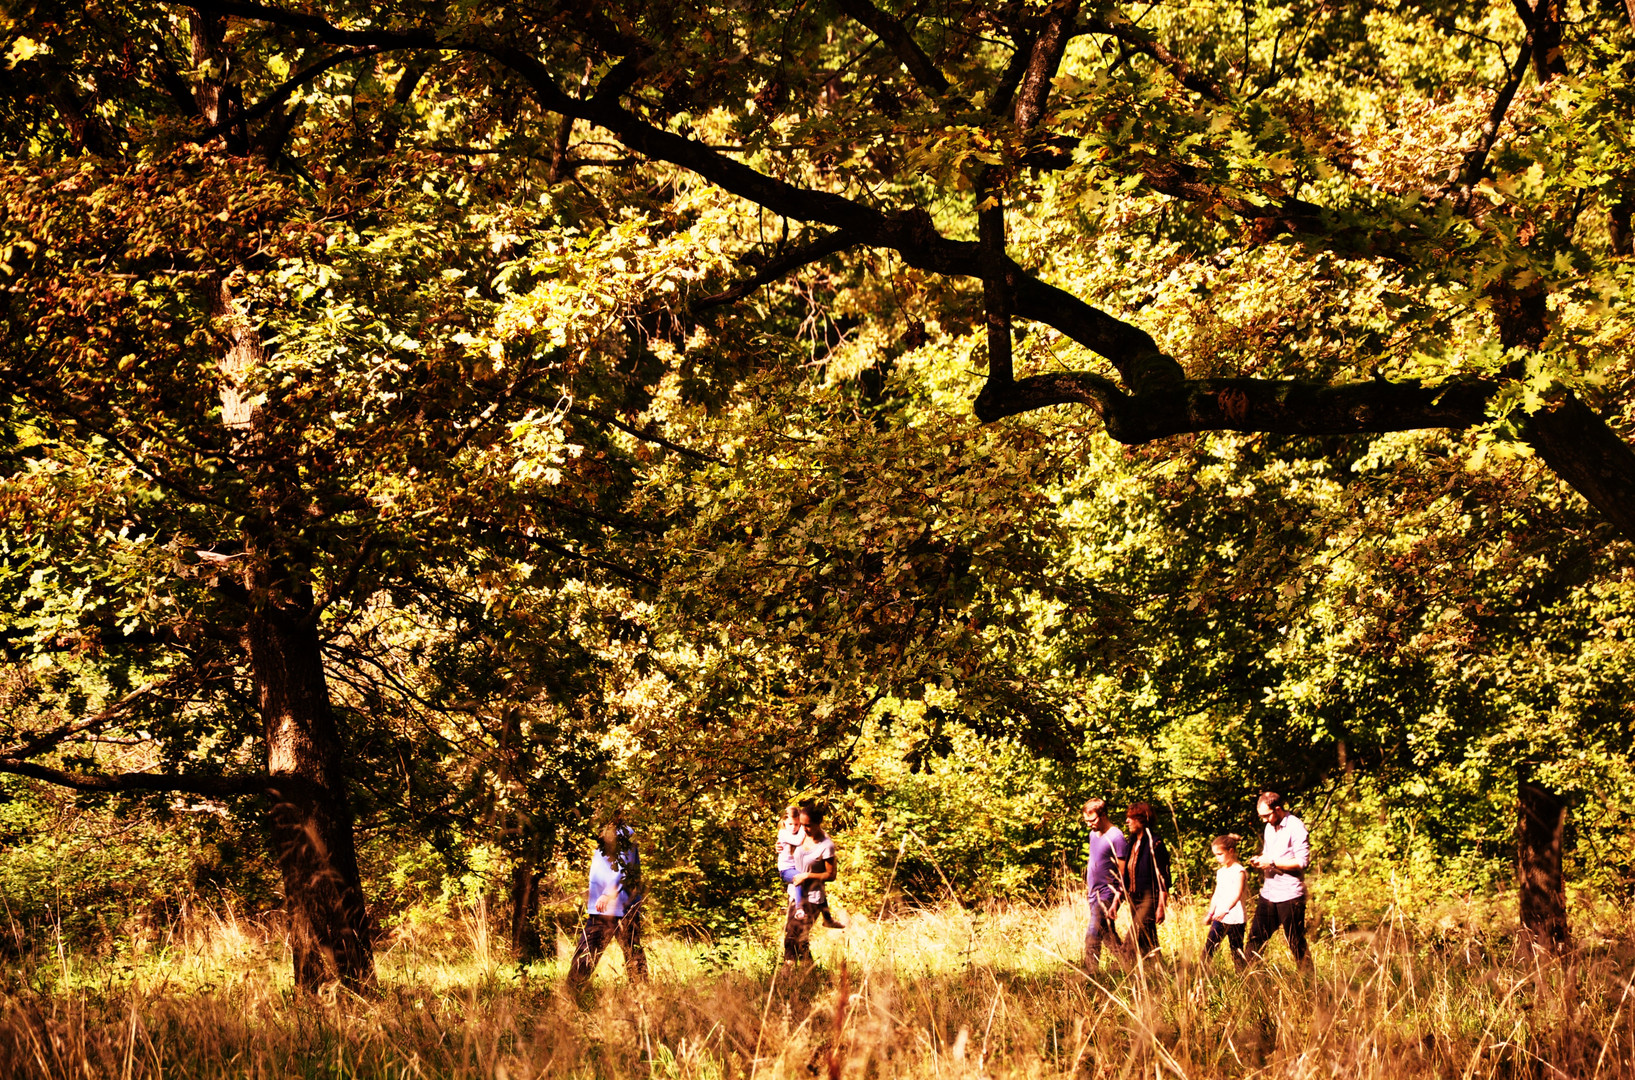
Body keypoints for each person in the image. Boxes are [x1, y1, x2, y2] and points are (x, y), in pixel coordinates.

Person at [567, 814, 647, 989]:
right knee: (587, 951)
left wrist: (608, 893)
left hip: (619, 906)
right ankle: (571, 994)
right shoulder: (607, 832)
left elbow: (624, 867)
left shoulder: (625, 833)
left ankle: (643, 995)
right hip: (602, 906)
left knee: (631, 953)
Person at [1247, 791, 1311, 967]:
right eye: (1261, 816)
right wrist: (1261, 860)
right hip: (1269, 893)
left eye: (1267, 815)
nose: (1264, 820)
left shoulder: (1296, 827)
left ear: (1278, 809)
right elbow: (1269, 855)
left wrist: (1272, 862)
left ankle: (1311, 986)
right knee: (1254, 941)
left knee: (1296, 943)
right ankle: (1249, 984)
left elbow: (1302, 861)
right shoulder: (1269, 827)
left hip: (1290, 895)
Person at [783, 802, 838, 964]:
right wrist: (780, 847)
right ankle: (811, 973)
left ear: (818, 823)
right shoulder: (801, 838)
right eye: (802, 825)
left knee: (792, 937)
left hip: (813, 898)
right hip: (795, 894)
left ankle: (787, 974)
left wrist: (807, 876)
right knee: (800, 939)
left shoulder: (826, 846)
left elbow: (831, 875)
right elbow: (790, 851)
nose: (804, 829)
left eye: (808, 825)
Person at [1081, 798, 1128, 965]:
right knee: (1108, 936)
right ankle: (1131, 967)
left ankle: (1090, 975)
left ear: (1103, 815)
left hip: (1108, 894)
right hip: (1093, 893)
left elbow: (1124, 872)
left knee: (1092, 936)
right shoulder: (1092, 834)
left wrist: (1118, 898)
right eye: (1086, 821)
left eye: (1092, 820)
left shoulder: (1116, 836)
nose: (1089, 824)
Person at [1122, 802, 1171, 959]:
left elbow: (1163, 876)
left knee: (1134, 935)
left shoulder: (1155, 843)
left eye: (1131, 818)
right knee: (1148, 939)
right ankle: (1157, 970)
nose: (1127, 821)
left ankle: (1122, 967)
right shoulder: (1132, 842)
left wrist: (1161, 906)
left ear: (1142, 819)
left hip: (1149, 898)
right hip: (1133, 896)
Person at [1203, 833, 1248, 968]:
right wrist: (1210, 914)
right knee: (1209, 949)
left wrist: (1226, 910)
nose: (1217, 858)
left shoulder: (1239, 871)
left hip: (1235, 918)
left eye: (1220, 854)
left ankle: (1243, 981)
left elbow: (1237, 894)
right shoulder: (1221, 872)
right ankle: (1201, 977)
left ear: (1231, 851)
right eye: (1215, 855)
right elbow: (1217, 894)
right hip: (1219, 917)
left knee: (1237, 952)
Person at [777, 804, 806, 907]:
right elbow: (797, 841)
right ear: (784, 822)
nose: (793, 827)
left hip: (797, 868)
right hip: (786, 870)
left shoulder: (799, 833)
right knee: (799, 877)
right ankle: (799, 907)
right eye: (790, 824)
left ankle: (826, 916)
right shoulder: (783, 833)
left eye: (796, 824)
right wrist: (803, 827)